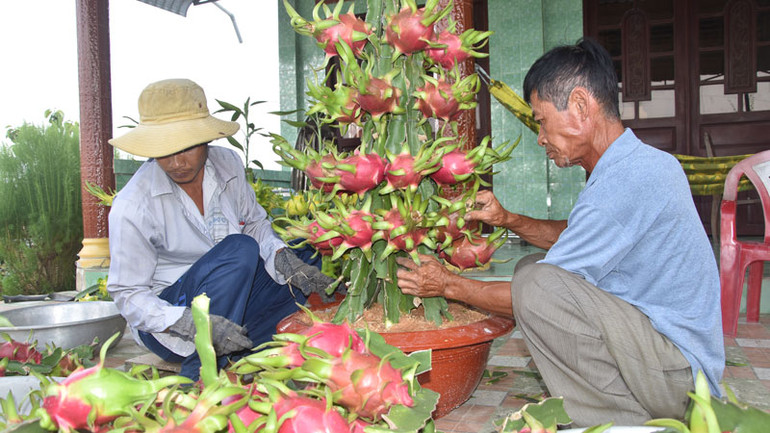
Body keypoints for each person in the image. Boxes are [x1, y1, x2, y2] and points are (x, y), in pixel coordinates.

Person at [396, 38, 725, 427]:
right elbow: (576, 237)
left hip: (681, 380)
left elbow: (541, 291)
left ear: (581, 106)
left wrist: (448, 285)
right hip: (669, 364)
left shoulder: (631, 177)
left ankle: (618, 421)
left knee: (536, 284)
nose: (540, 137)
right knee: (535, 270)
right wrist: (508, 219)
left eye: (540, 119)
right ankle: (611, 403)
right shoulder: (629, 166)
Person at [106, 78, 335, 381]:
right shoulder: (134, 204)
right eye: (163, 151)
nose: (176, 163)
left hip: (232, 304)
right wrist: (191, 323)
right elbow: (129, 295)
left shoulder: (227, 164)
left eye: (186, 148)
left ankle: (245, 350)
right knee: (240, 251)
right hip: (171, 323)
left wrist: (283, 259)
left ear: (206, 140)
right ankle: (201, 375)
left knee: (304, 255)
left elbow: (254, 223)